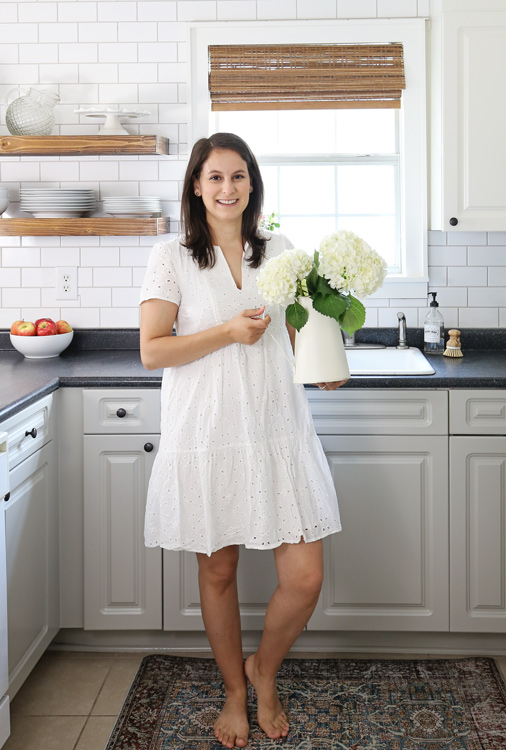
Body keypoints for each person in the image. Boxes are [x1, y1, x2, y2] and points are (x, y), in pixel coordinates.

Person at [139, 132, 346, 749]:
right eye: (214, 177)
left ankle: (265, 671)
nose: (227, 188)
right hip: (206, 430)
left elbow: (300, 333)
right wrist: (228, 332)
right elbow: (153, 350)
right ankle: (235, 690)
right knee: (219, 571)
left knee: (305, 576)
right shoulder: (171, 257)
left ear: (252, 184)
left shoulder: (279, 250)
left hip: (277, 428)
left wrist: (327, 362)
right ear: (196, 187)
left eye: (238, 177)